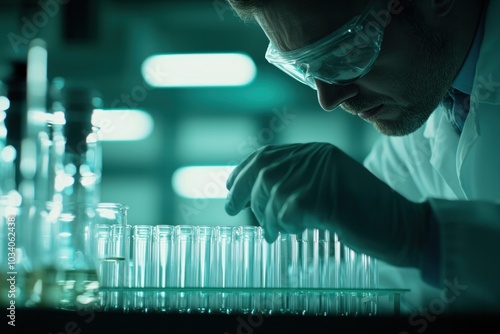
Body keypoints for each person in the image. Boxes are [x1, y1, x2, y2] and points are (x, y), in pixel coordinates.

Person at [223, 0, 500, 314]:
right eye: (306, 68)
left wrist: (423, 236)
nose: (328, 98)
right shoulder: (427, 121)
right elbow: (370, 282)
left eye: (344, 52)